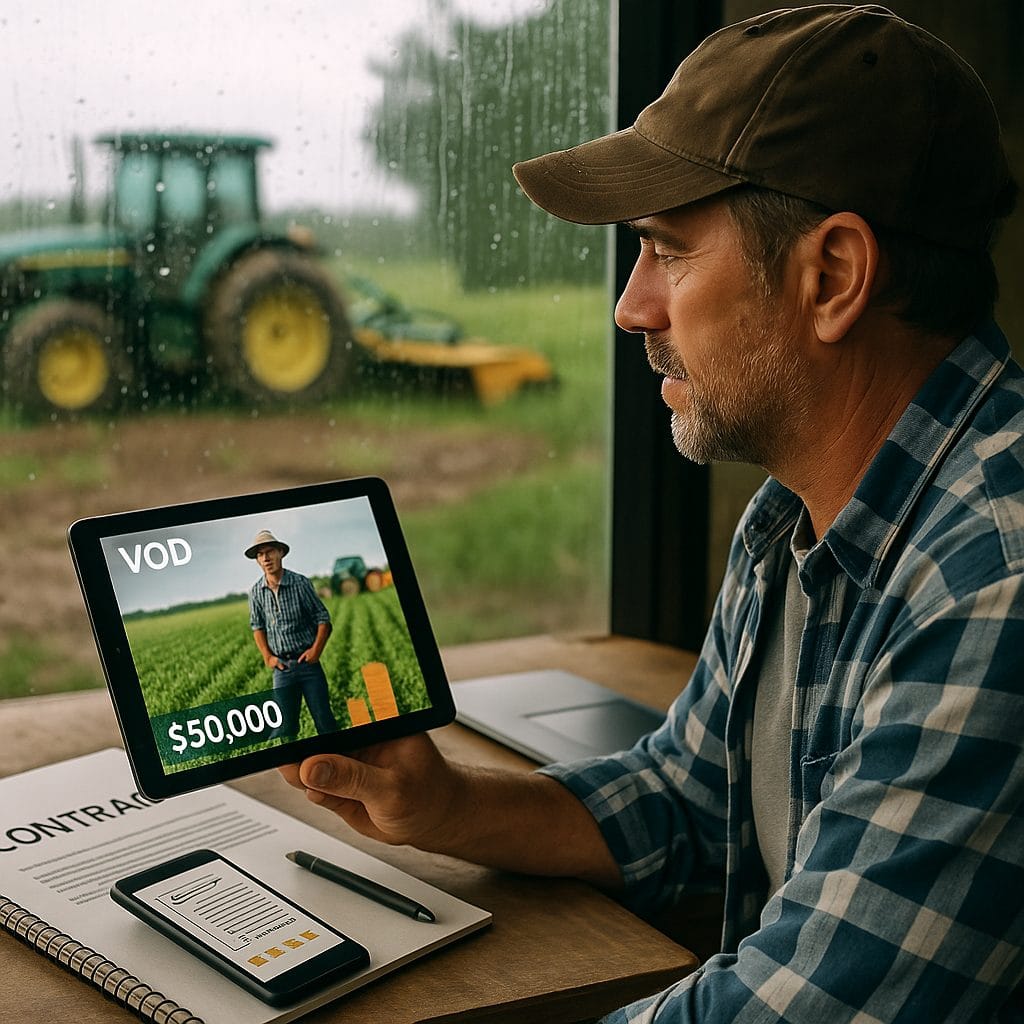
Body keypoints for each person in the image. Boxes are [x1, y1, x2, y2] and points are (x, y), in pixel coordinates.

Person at [281, 6, 1024, 1021]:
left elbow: (794, 1009)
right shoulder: (790, 521)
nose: (632, 306)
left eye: (667, 251)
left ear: (833, 276)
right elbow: (688, 801)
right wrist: (449, 804)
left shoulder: (995, 579)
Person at [245, 529, 339, 738]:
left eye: (270, 551)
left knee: (325, 722)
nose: (266, 558)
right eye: (260, 554)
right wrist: (268, 657)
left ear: (281, 553)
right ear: (258, 561)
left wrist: (316, 651)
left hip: (308, 665)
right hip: (282, 669)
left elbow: (323, 618)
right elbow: (256, 626)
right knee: (285, 728)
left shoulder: (300, 583)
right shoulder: (255, 592)